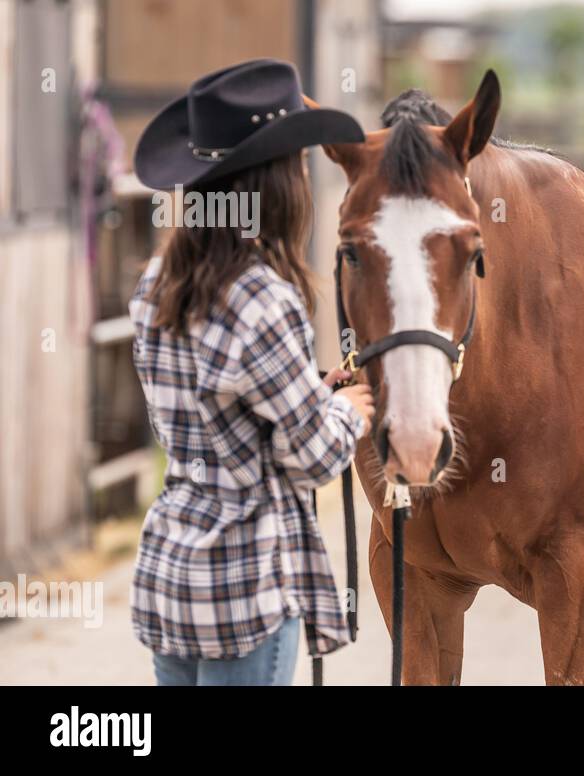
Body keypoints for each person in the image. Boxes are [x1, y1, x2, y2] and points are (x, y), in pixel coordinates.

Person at [128, 59, 374, 685]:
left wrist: (302, 395)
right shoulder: (264, 300)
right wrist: (347, 413)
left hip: (173, 573)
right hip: (244, 586)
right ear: (276, 184)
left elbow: (208, 417)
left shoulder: (157, 286)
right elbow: (315, 456)